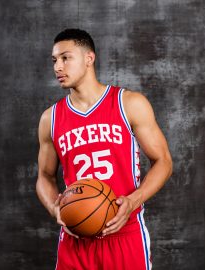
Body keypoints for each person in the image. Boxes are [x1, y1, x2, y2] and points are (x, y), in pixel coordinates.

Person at [36, 28, 173, 270]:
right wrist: (54, 207)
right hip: (75, 239)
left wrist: (132, 201)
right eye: (54, 60)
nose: (58, 67)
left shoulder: (129, 103)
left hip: (125, 235)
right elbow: (44, 177)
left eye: (66, 58)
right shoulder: (51, 119)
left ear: (89, 58)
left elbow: (163, 161)